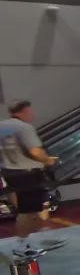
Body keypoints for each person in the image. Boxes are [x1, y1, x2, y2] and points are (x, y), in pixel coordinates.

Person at [0, 101, 59, 239]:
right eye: (30, 111)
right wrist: (48, 160)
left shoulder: (2, 126)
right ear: (24, 111)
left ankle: (34, 238)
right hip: (28, 173)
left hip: (9, 172)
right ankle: (23, 242)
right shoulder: (24, 127)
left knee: (28, 209)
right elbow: (35, 151)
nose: (32, 115)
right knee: (29, 211)